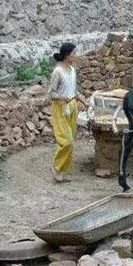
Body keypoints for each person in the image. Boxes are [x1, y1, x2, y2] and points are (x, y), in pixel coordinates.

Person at [47, 43, 87, 183]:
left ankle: (62, 171)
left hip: (72, 107)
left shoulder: (72, 70)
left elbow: (74, 91)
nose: (76, 56)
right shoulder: (57, 72)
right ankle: (56, 168)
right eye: (74, 53)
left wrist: (84, 100)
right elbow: (51, 94)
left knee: (72, 140)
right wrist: (61, 97)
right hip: (60, 107)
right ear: (67, 55)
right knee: (66, 141)